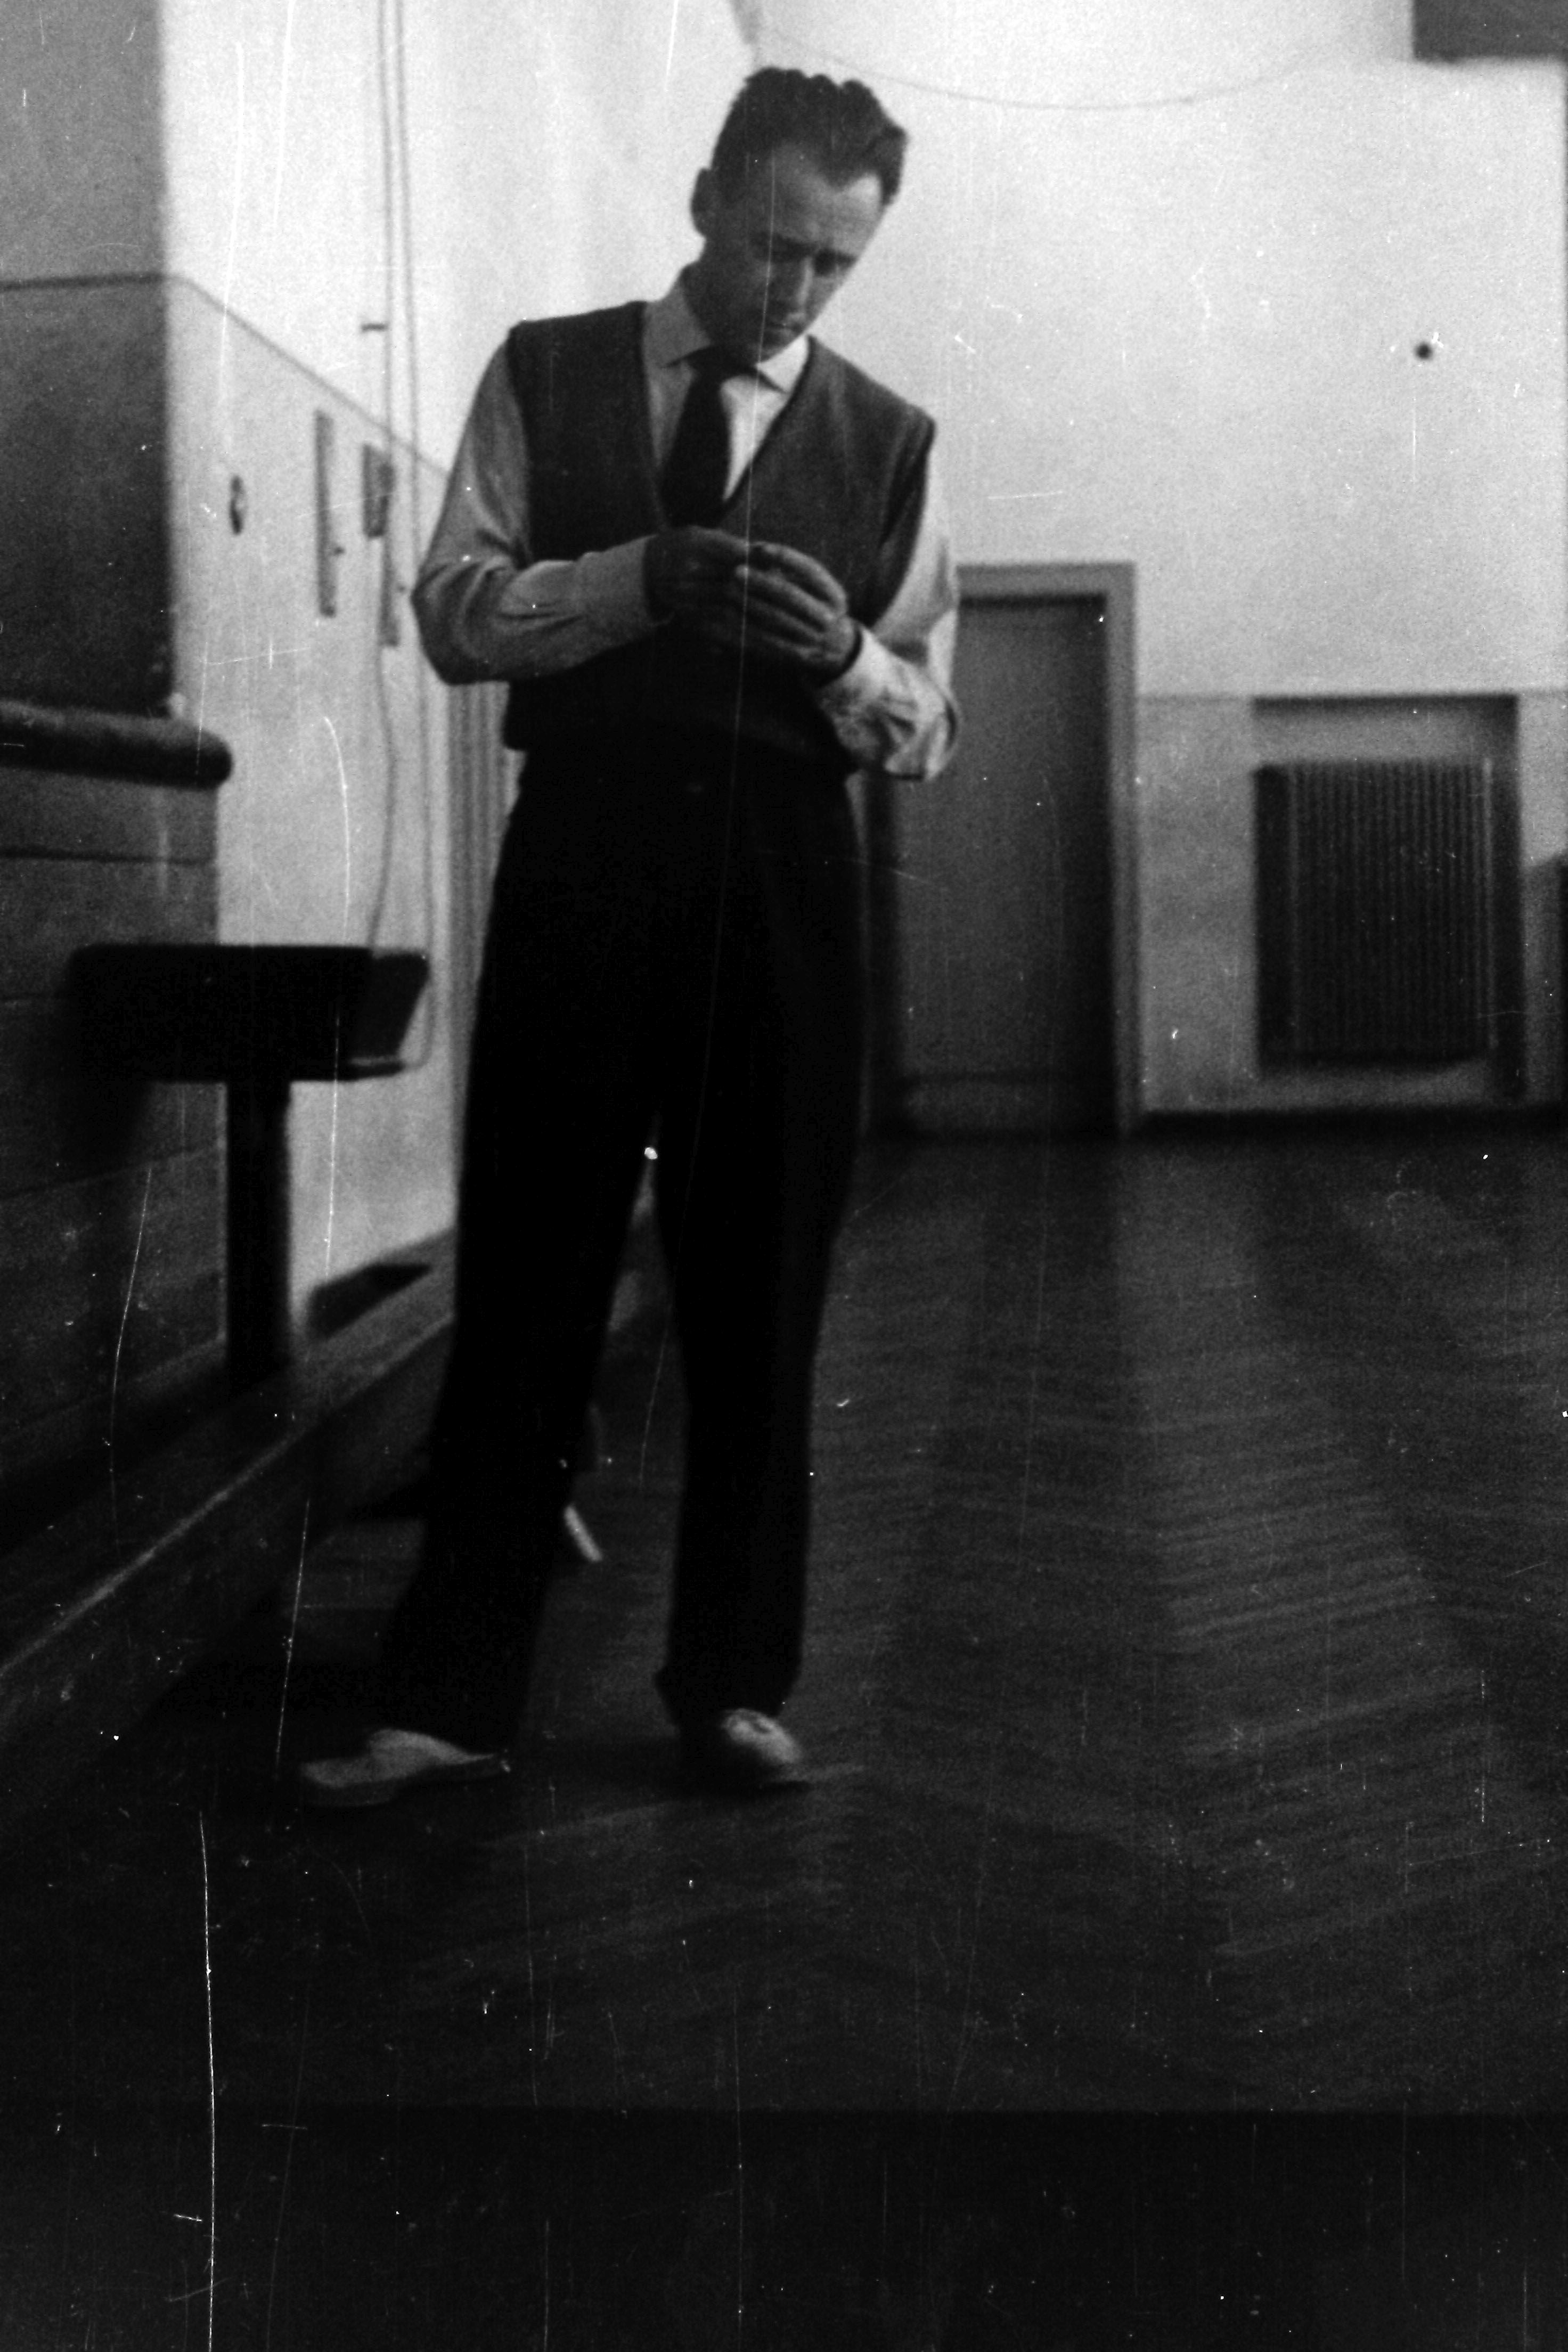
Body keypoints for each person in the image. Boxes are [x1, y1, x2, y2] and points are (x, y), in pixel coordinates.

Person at [301, 67, 958, 1808]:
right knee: (529, 1275)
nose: (795, 292)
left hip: (785, 880)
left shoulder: (891, 440)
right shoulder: (547, 371)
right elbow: (454, 617)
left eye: (834, 264)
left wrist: (842, 659)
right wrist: (630, 583)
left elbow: (930, 726)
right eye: (772, 246)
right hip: (586, 856)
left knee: (762, 1290)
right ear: (703, 199)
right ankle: (446, 1706)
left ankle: (733, 1688)